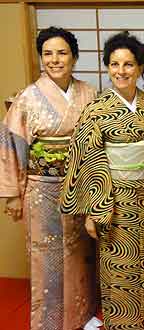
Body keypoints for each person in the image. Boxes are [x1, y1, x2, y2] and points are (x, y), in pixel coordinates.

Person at [61, 32, 144, 330]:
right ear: (107, 67)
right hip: (113, 202)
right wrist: (94, 210)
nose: (121, 71)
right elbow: (88, 158)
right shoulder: (97, 109)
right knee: (118, 264)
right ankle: (120, 324)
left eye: (129, 64)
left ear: (140, 68)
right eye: (114, 64)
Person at [0, 26, 97, 330]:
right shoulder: (28, 97)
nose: (55, 60)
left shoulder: (89, 93)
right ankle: (50, 322)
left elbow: (97, 143)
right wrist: (13, 194)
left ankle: (82, 316)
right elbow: (10, 146)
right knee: (47, 259)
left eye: (62, 52)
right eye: (48, 54)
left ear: (74, 57)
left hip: (80, 187)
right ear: (41, 58)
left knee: (81, 253)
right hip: (42, 191)